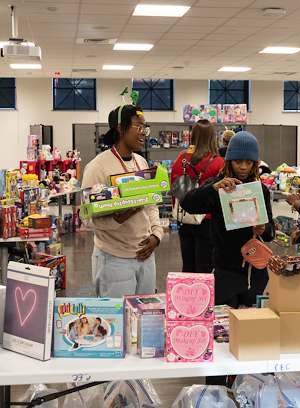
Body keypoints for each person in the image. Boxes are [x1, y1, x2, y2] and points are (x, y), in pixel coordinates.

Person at [181, 131, 275, 308]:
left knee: (250, 324)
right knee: (224, 330)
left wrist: (264, 230)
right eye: (238, 161)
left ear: (255, 164)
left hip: (255, 273)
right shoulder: (218, 187)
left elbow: (271, 232)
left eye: (249, 162)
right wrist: (212, 187)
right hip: (225, 273)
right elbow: (188, 204)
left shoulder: (260, 190)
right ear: (229, 160)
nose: (243, 167)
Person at [82, 104, 163, 298]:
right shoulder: (97, 167)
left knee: (144, 321)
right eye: (139, 127)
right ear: (120, 128)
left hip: (146, 255)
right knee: (118, 322)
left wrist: (157, 235)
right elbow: (85, 216)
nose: (144, 133)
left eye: (146, 128)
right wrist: (117, 219)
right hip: (114, 259)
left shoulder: (141, 163)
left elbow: (151, 204)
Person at [170, 120, 224, 273]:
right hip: (207, 223)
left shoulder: (180, 160)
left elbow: (174, 188)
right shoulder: (218, 163)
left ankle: (186, 296)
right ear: (212, 137)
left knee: (187, 267)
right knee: (205, 269)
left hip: (184, 219)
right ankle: (202, 296)